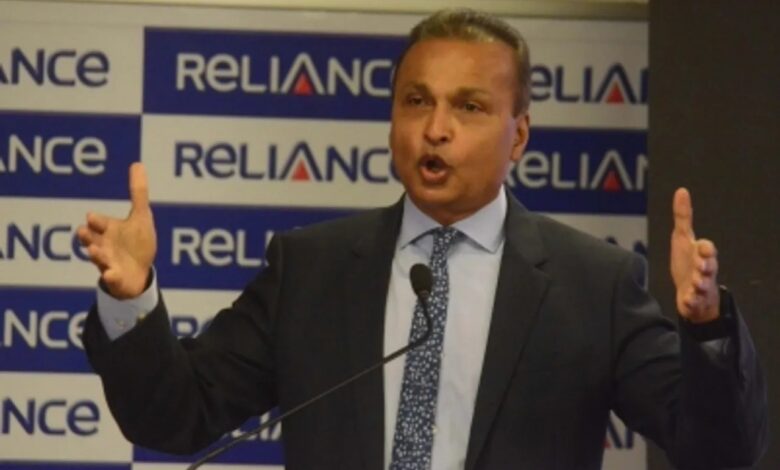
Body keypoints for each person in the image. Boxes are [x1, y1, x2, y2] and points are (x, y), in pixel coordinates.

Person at [79, 9, 767, 470]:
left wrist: (706, 328)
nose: (435, 129)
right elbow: (177, 416)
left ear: (518, 136)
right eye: (416, 101)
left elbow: (720, 451)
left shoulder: (594, 283)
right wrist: (132, 298)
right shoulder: (311, 270)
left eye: (469, 106)